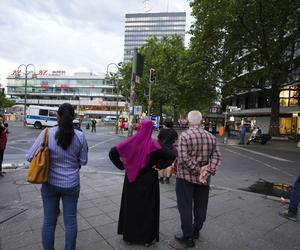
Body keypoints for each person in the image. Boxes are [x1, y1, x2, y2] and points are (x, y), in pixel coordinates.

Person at [26, 103, 88, 250]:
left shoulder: (46, 133)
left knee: (48, 222)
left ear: (57, 116)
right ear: (73, 117)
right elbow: (84, 161)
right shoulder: (80, 136)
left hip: (49, 183)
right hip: (71, 184)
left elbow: (29, 156)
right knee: (71, 222)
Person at [109, 119, 176, 247]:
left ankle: (129, 236)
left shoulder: (130, 142)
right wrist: (159, 165)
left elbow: (112, 152)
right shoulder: (155, 145)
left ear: (139, 128)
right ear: (151, 130)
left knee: (131, 207)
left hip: (131, 180)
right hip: (149, 180)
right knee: (148, 209)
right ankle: (146, 238)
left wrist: (122, 166)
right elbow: (171, 156)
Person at [175, 111, 221, 248]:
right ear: (201, 121)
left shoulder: (184, 136)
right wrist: (207, 170)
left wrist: (197, 169)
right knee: (201, 206)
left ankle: (188, 236)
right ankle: (196, 230)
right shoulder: (211, 136)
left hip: (185, 178)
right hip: (204, 180)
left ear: (188, 121)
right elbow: (217, 157)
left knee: (185, 207)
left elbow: (183, 158)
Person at [157, 118, 178, 184]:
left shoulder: (162, 130)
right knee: (169, 164)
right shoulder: (174, 131)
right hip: (170, 149)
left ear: (165, 124)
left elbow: (158, 139)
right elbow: (176, 139)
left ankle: (161, 178)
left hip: (162, 149)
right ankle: (167, 178)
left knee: (161, 162)